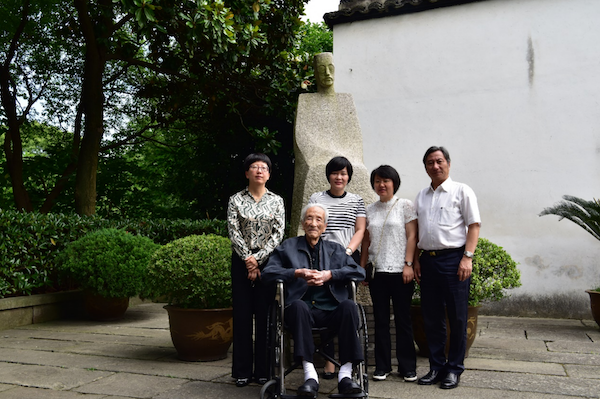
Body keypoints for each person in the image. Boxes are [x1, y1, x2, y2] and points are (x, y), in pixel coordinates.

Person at [262, 203, 366, 397]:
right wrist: (296, 273)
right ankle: (310, 376)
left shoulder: (335, 249)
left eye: (319, 220)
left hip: (331, 312)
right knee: (299, 307)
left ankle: (345, 376)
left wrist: (330, 275)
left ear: (324, 226)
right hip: (299, 312)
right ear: (303, 223)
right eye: (309, 218)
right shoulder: (288, 247)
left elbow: (358, 271)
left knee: (349, 306)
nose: (313, 223)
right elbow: (268, 272)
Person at [413, 146, 481, 390]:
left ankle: (454, 369)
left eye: (439, 161)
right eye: (430, 162)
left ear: (448, 164)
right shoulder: (421, 196)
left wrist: (467, 258)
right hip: (428, 262)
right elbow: (418, 232)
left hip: (454, 260)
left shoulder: (461, 191)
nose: (435, 166)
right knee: (431, 317)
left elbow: (474, 225)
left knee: (457, 316)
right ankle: (436, 366)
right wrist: (417, 259)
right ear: (426, 167)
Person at [227, 153, 285, 387]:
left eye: (264, 167)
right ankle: (241, 371)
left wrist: (259, 259)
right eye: (254, 167)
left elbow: (278, 233)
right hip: (240, 261)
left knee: (265, 317)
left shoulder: (277, 201)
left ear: (269, 174)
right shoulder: (235, 200)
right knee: (242, 317)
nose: (259, 171)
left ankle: (263, 370)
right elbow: (233, 231)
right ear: (247, 173)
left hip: (268, 263)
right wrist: (248, 260)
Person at [308, 155, 366, 379]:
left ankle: (346, 361)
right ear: (328, 176)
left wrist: (348, 252)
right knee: (325, 304)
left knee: (345, 306)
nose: (339, 177)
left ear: (348, 176)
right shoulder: (317, 197)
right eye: (335, 173)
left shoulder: (356, 200)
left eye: (343, 173)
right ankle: (329, 361)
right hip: (321, 257)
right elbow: (313, 225)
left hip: (346, 258)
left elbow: (360, 230)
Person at [360, 165, 418, 382]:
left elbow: (412, 237)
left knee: (403, 320)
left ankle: (407, 367)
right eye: (377, 181)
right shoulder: (370, 209)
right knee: (381, 320)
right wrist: (363, 267)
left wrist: (409, 264)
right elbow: (366, 240)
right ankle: (382, 366)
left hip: (401, 271)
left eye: (385, 180)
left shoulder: (405, 205)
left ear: (394, 182)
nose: (381, 185)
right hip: (378, 273)